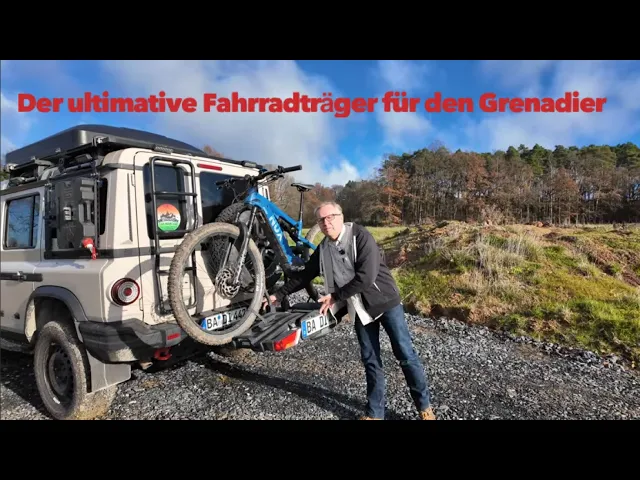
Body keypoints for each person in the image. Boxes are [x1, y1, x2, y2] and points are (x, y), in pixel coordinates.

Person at [266, 201, 435, 420]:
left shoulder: (360, 236)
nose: (326, 223)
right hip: (359, 308)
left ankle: (424, 407)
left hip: (385, 302)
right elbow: (306, 274)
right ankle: (375, 414)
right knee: (371, 359)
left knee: (405, 353)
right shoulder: (324, 248)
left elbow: (366, 277)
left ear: (341, 217)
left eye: (330, 217)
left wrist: (335, 296)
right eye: (321, 220)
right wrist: (278, 295)